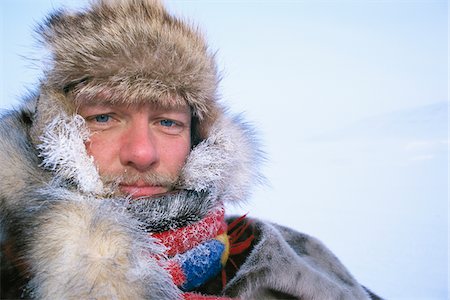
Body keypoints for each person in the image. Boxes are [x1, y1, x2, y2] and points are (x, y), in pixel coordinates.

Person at [0, 0, 381, 299]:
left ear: (199, 141)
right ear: (54, 130)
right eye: (104, 117)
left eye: (168, 122)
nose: (142, 153)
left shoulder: (288, 259)